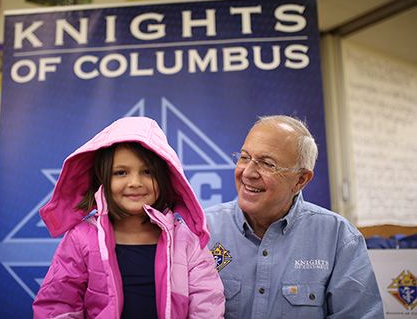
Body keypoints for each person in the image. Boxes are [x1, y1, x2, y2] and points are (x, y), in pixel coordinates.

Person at [33, 117, 225, 319]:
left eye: (147, 171)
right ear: (102, 178)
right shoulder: (81, 238)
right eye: (121, 172)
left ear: (165, 178)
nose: (135, 182)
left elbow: (206, 307)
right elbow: (58, 306)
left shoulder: (186, 241)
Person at [205, 115, 384, 319]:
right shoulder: (202, 230)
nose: (248, 172)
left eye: (266, 164)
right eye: (245, 157)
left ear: (300, 180)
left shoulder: (339, 239)